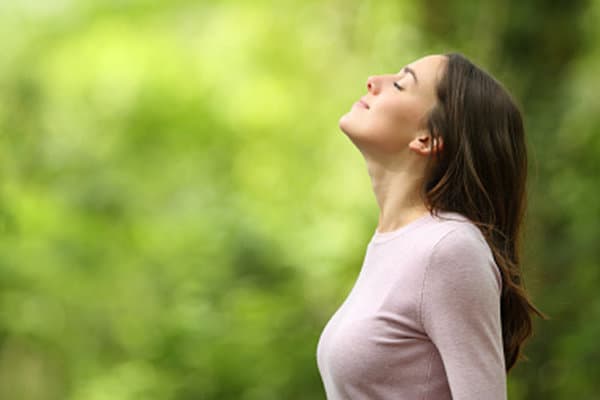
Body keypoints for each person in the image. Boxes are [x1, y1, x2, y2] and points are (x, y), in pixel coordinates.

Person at [316, 53, 544, 399]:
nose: (373, 81)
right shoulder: (395, 244)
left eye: (399, 84)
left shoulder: (448, 248)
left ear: (428, 138)